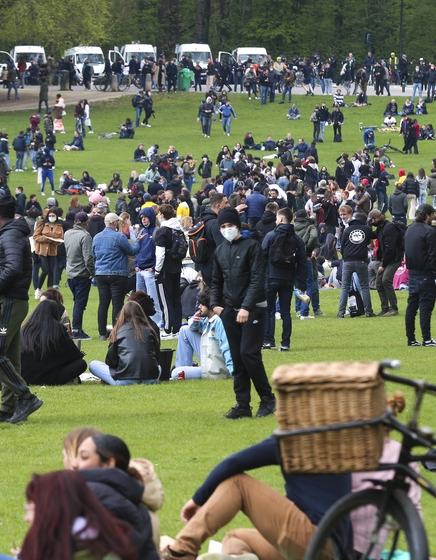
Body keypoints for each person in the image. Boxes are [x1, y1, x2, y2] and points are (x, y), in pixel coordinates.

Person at [158, 435, 351, 560]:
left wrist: (198, 499)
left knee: (238, 483)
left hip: (318, 542)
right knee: (236, 539)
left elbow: (234, 462)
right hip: (331, 548)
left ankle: (180, 551)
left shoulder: (296, 436)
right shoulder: (337, 437)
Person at [0, 470, 137, 560]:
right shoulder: (90, 539)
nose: (26, 518)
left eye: (31, 508)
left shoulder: (80, 549)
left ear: (51, 509)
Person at [0, 195, 43, 424]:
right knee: (10, 358)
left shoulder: (11, 235)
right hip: (9, 300)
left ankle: (26, 397)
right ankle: (8, 408)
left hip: (9, 301)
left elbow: (13, 268)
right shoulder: (11, 234)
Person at [211, 207, 275, 419]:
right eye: (223, 226)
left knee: (249, 354)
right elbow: (216, 281)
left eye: (229, 225)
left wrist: (247, 307)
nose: (226, 229)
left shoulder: (252, 246)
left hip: (254, 308)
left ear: (237, 225)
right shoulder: (220, 251)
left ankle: (267, 399)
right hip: (229, 310)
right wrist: (215, 305)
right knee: (237, 358)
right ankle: (242, 405)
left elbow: (257, 279)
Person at [68, 434, 160, 560]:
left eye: (84, 457)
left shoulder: (96, 497)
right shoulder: (136, 501)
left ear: (109, 464)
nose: (74, 464)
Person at [262, 208, 309, 351]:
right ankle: (285, 343)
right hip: (288, 279)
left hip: (271, 276)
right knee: (286, 312)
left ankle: (268, 340)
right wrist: (301, 282)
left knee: (268, 310)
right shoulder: (297, 238)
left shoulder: (270, 236)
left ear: (281, 219)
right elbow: (302, 262)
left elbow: (261, 256)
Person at [93, 212, 142, 340]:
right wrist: (138, 241)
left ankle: (102, 333)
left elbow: (94, 255)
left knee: (103, 303)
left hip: (101, 273)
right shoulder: (119, 237)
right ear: (115, 223)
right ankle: (116, 331)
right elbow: (132, 251)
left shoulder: (96, 237)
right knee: (117, 303)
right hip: (117, 274)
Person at [88, 301, 160, 385]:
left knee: (93, 364)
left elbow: (111, 361)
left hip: (124, 379)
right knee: (159, 368)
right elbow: (157, 358)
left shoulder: (118, 331)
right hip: (151, 379)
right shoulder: (150, 330)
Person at [19, 300, 86, 386]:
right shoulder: (58, 329)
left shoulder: (25, 329)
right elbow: (75, 355)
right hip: (51, 377)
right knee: (81, 364)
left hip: (26, 376)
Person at [404, 204, 436, 347]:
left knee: (412, 307)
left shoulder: (409, 229)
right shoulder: (429, 231)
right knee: (426, 308)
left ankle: (411, 339)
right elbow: (434, 255)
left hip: (413, 274)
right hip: (426, 274)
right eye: (433, 214)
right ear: (427, 215)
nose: (434, 217)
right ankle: (427, 339)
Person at [174, 289, 232, 380]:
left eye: (202, 304)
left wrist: (234, 372)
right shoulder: (207, 319)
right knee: (184, 330)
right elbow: (192, 327)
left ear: (211, 305)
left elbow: (227, 347)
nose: (199, 307)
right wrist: (194, 321)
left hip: (216, 371)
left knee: (175, 374)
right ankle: (182, 367)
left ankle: (181, 371)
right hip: (209, 360)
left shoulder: (219, 321)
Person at [152, 204, 186, 337]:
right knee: (176, 299)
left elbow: (160, 254)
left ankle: (167, 329)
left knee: (165, 301)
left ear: (162, 214)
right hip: (177, 268)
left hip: (165, 270)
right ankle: (176, 329)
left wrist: (157, 270)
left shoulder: (163, 231)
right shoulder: (179, 229)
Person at [337, 211, 376, 318]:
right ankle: (369, 311)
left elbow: (342, 247)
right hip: (361, 261)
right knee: (364, 287)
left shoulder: (346, 230)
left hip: (348, 261)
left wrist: (345, 257)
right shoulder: (367, 229)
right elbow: (372, 238)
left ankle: (341, 312)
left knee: (344, 287)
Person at [65, 211, 95, 340]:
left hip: (70, 273)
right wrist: (92, 272)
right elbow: (88, 257)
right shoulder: (85, 236)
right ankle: (77, 330)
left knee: (77, 302)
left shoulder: (67, 233)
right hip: (82, 273)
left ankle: (76, 328)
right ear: (85, 223)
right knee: (80, 304)